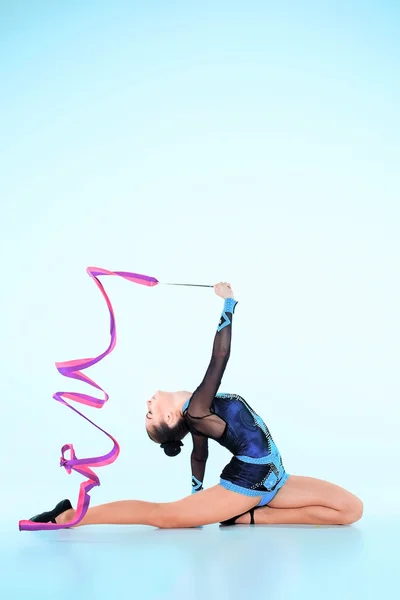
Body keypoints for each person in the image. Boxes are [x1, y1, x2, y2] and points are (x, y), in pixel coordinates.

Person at [27, 282, 363, 528]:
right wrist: (228, 303)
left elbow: (198, 455)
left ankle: (250, 518)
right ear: (171, 416)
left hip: (276, 480)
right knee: (163, 516)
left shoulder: (198, 416)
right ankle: (69, 516)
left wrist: (197, 491)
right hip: (245, 485)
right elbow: (220, 357)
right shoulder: (197, 410)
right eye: (149, 412)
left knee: (351, 510)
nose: (148, 402)